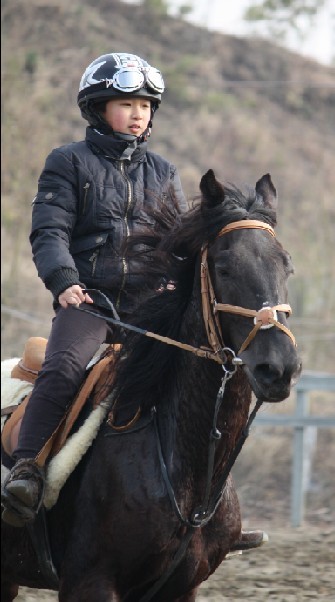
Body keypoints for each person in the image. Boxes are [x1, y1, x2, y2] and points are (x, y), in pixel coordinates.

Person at [1, 52, 266, 552]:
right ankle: (26, 471)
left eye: (145, 104)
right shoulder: (67, 162)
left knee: (207, 382)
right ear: (98, 108)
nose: (139, 113)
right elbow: (50, 231)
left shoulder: (163, 170)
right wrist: (64, 282)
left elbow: (173, 243)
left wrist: (172, 286)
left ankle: (210, 519)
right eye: (126, 103)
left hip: (150, 308)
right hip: (90, 302)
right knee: (63, 368)